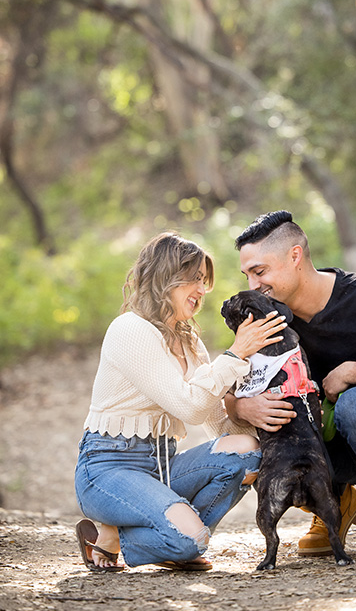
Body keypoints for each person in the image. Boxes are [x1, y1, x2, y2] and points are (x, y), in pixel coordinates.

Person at [227, 210, 356, 559]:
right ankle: (333, 503)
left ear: (295, 256)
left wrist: (355, 371)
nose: (253, 285)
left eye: (260, 271)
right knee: (250, 440)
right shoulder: (263, 319)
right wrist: (241, 406)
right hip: (329, 445)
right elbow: (228, 388)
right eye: (247, 274)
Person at [74, 232, 287, 572]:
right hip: (109, 470)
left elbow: (215, 423)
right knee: (190, 540)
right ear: (165, 278)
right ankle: (120, 537)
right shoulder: (130, 329)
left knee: (248, 450)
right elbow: (187, 406)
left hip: (161, 468)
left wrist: (251, 406)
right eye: (195, 280)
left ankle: (163, 533)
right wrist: (236, 354)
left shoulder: (189, 342)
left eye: (204, 281)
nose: (203, 290)